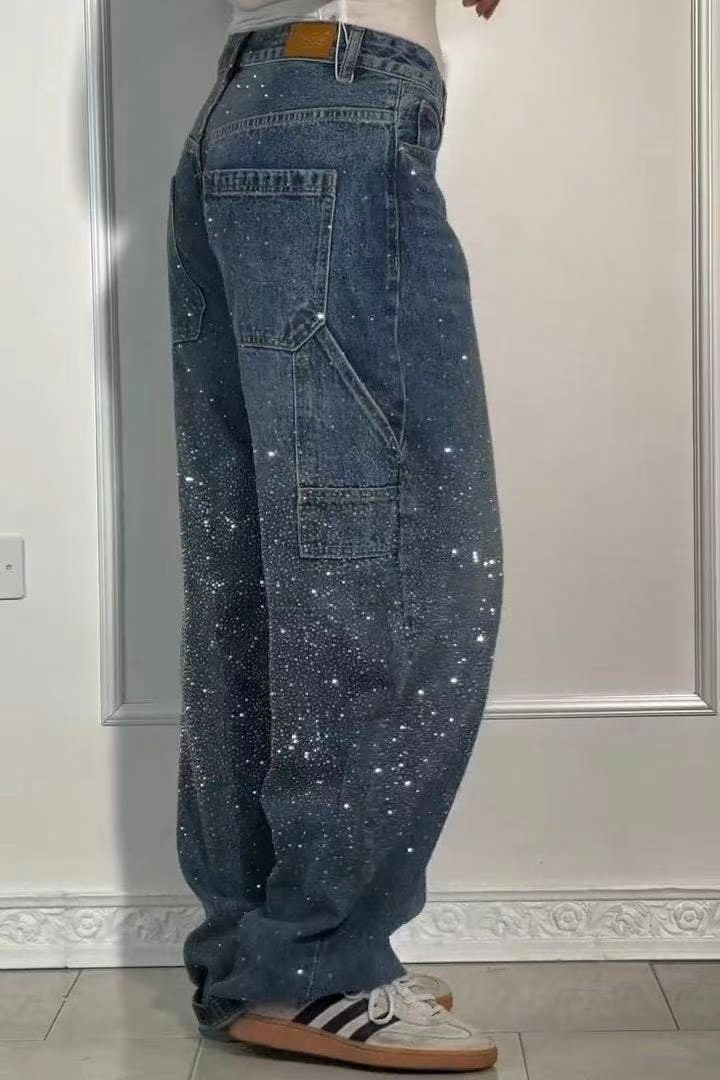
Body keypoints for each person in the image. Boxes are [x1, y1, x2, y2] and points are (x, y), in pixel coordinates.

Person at [165, 0, 505, 1070]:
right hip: (337, 104)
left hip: (259, 108)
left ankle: (262, 954)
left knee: (268, 570)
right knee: (392, 561)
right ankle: (317, 964)